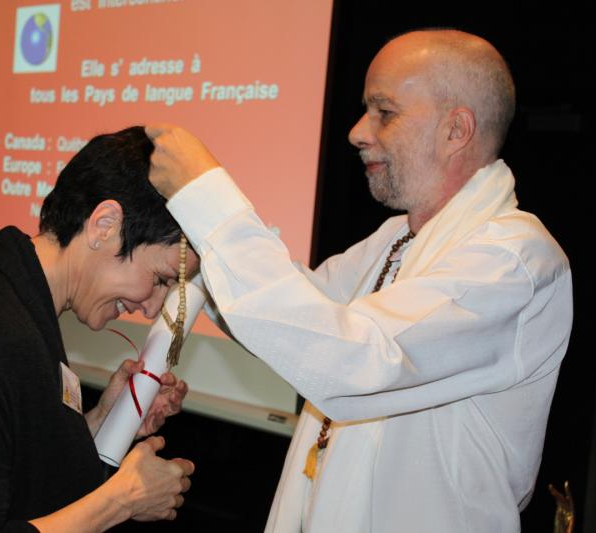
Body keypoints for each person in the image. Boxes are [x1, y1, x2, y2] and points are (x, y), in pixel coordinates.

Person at [145, 29, 573, 532]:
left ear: (456, 130)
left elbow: (359, 359)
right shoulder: (396, 237)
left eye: (384, 112)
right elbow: (302, 319)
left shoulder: (514, 258)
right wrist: (202, 256)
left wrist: (210, 198)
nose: (356, 132)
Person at [0, 126, 199, 532]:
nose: (152, 307)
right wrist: (121, 499)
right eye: (159, 279)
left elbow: (13, 469)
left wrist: (103, 419)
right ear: (105, 225)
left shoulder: (13, 307)